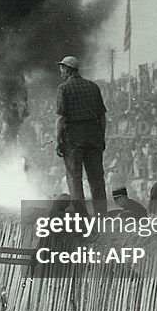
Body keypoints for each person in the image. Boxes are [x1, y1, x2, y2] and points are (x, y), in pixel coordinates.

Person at [54, 56, 108, 216]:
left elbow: (61, 117)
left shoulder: (63, 88)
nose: (61, 72)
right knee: (97, 178)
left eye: (62, 69)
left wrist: (57, 140)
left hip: (74, 138)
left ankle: (81, 215)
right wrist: (101, 137)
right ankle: (101, 215)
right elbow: (102, 116)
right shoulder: (93, 87)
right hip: (94, 136)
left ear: (68, 70)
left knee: (74, 178)